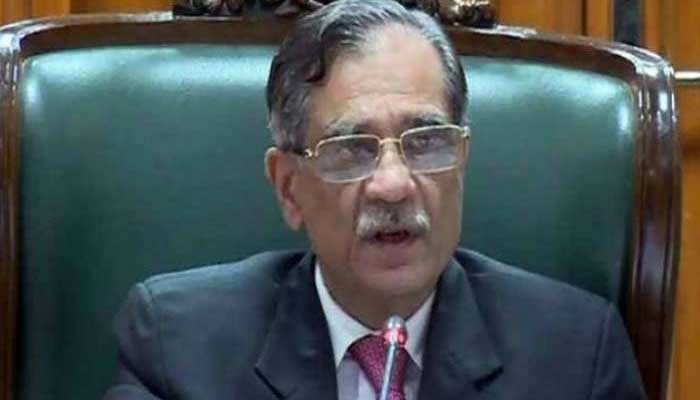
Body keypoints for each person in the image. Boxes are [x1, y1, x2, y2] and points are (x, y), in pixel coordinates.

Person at [103, 1, 647, 399]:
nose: (394, 185)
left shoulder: (577, 356)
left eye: (427, 142)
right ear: (289, 187)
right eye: (352, 149)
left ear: (462, 160)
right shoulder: (177, 350)